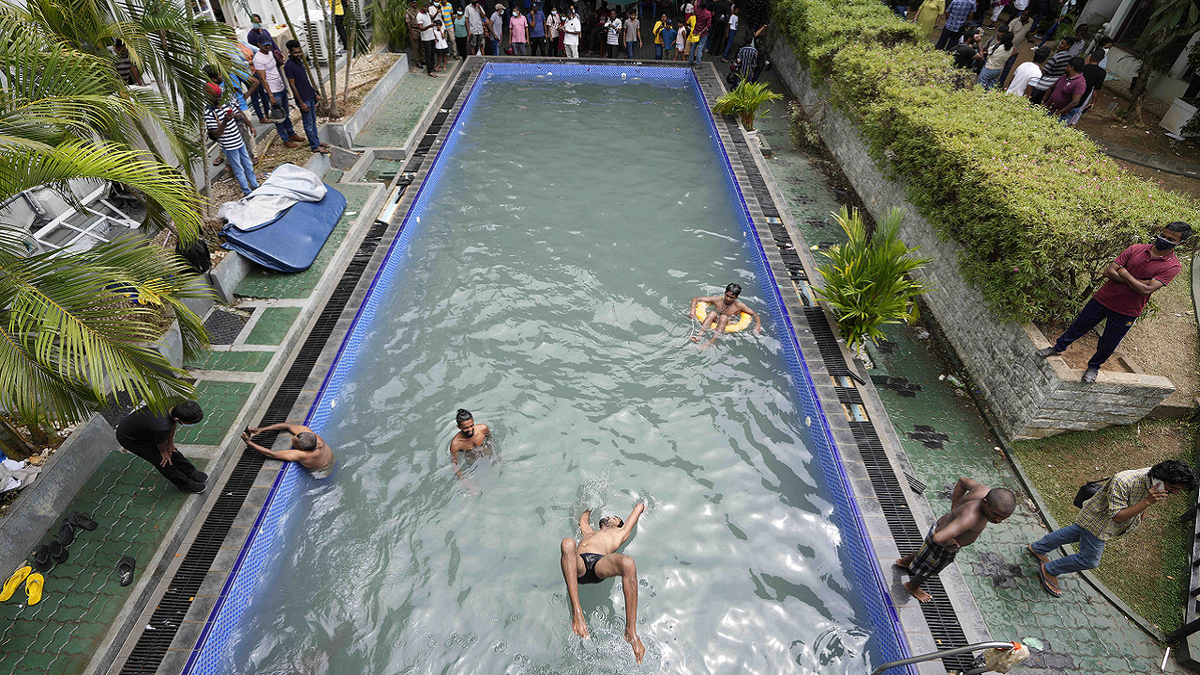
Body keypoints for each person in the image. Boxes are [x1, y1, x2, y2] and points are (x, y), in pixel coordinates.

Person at [1037, 222, 1190, 382]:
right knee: (1078, 326)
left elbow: (1146, 290)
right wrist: (1139, 282)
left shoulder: (1173, 266)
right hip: (1103, 299)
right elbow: (1109, 271)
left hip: (1128, 311)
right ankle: (1057, 348)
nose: (1163, 239)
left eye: (1170, 239)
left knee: (1109, 342)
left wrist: (1124, 272)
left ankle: (1094, 367)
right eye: (1163, 235)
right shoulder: (1136, 249)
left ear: (1181, 243)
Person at [1029, 460, 1197, 598]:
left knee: (1074, 532)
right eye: (1173, 489)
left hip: (1095, 519)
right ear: (1163, 477)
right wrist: (1146, 502)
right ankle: (1049, 570)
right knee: (1090, 560)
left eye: (1177, 491)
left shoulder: (1156, 479)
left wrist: (1142, 510)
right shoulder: (1124, 482)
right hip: (1099, 523)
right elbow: (1117, 516)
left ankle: (1038, 548)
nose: (1174, 493)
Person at [895, 478, 1015, 602]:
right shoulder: (970, 518)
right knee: (929, 569)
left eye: (1004, 518)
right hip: (942, 547)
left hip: (939, 527)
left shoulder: (982, 490)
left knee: (926, 553)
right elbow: (938, 538)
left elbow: (962, 481)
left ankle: (904, 562)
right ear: (985, 502)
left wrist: (955, 504)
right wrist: (950, 543)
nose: (999, 520)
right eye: (996, 515)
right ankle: (912, 586)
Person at [559, 503, 647, 663]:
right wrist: (589, 506)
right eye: (608, 516)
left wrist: (641, 504)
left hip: (600, 563)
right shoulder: (589, 532)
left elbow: (638, 509)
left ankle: (631, 631)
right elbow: (583, 520)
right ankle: (576, 611)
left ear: (619, 524)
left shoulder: (620, 533)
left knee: (628, 563)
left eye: (613, 517)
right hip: (577, 566)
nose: (608, 517)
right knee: (567, 543)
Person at [116, 401, 208, 493]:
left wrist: (170, 444)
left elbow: (172, 424)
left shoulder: (174, 405)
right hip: (130, 438)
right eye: (190, 422)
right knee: (163, 461)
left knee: (173, 452)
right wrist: (164, 453)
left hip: (148, 428)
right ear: (177, 418)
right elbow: (161, 442)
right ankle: (185, 485)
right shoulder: (162, 426)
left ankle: (191, 472)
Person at [204, 83, 259, 195]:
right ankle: (246, 191)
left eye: (220, 96)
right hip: (228, 146)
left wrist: (248, 125)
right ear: (209, 98)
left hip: (239, 140)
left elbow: (240, 114)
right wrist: (225, 121)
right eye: (216, 97)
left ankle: (255, 185)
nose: (219, 99)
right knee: (238, 168)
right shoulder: (209, 113)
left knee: (248, 163)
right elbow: (216, 133)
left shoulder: (226, 104)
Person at [284, 40, 330, 154]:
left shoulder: (300, 62)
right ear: (290, 52)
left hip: (310, 95)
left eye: (300, 52)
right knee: (308, 124)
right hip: (303, 99)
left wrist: (315, 93)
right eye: (295, 53)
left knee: (313, 120)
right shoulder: (289, 66)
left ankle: (316, 141)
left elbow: (305, 81)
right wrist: (301, 102)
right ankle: (314, 146)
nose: (299, 54)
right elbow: (293, 86)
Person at [252, 40, 300, 148]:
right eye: (265, 45)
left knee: (286, 113)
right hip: (273, 91)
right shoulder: (258, 59)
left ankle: (291, 134)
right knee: (278, 116)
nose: (268, 46)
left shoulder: (269, 53)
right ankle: (285, 139)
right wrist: (270, 95)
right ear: (259, 45)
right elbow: (263, 79)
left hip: (280, 87)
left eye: (269, 44)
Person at [242, 424, 337, 479]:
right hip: (333, 461)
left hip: (322, 473)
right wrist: (262, 429)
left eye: (294, 442)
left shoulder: (303, 455)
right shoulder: (314, 438)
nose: (292, 439)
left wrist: (248, 442)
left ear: (302, 449)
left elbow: (271, 454)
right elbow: (288, 426)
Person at [690, 282, 763, 347]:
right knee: (712, 313)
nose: (728, 299)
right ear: (725, 293)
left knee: (723, 317)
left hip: (728, 323)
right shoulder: (717, 300)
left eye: (731, 297)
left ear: (736, 297)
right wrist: (693, 310)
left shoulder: (739, 306)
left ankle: (712, 341)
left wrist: (758, 325)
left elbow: (755, 315)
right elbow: (696, 299)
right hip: (716, 319)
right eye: (727, 295)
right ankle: (699, 335)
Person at [447, 408, 492, 482]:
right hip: (474, 465)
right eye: (466, 428)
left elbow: (490, 440)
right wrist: (465, 482)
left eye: (471, 425)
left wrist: (495, 456)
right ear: (459, 427)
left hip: (488, 457)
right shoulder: (456, 444)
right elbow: (454, 465)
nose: (470, 429)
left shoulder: (483, 429)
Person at [1028, 36, 1074, 105]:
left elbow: (1043, 72)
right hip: (1051, 87)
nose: (1060, 44)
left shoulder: (1055, 58)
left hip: (1041, 86)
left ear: (1068, 46)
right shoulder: (1070, 57)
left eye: (1062, 43)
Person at [1065, 48, 1105, 125]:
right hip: (1082, 97)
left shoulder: (1082, 68)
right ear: (1102, 59)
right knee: (1069, 117)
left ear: (1090, 56)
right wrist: (1093, 102)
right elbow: (1096, 90)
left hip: (1070, 92)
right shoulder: (1101, 73)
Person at [997, 8, 1033, 86]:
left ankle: (1000, 84)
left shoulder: (1031, 22)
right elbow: (1006, 35)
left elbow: (1027, 31)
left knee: (1007, 67)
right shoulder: (1014, 22)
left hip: (1017, 49)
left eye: (1026, 15)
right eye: (1023, 14)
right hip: (1007, 47)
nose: (1023, 16)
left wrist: (1029, 38)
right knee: (998, 64)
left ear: (1029, 16)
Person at [1044, 56, 1085, 120]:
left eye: (1067, 66)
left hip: (1058, 116)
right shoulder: (1065, 76)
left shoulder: (1080, 83)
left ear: (1071, 68)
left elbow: (1075, 102)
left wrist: (1058, 113)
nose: (1065, 67)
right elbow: (1051, 88)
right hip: (1047, 109)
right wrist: (1043, 102)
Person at [417, 4, 438, 77]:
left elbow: (431, 19)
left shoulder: (427, 13)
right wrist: (429, 26)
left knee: (432, 53)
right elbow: (421, 28)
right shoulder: (419, 16)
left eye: (427, 7)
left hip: (431, 36)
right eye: (425, 7)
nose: (426, 8)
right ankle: (429, 71)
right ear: (421, 7)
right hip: (426, 38)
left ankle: (433, 67)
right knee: (428, 54)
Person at [690, 0, 711, 65]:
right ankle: (697, 63)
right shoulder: (708, 13)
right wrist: (701, 32)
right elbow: (708, 25)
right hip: (703, 33)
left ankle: (690, 61)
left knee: (693, 47)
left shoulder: (697, 11)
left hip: (696, 31)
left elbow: (695, 6)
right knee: (699, 49)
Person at [407, 0, 425, 69]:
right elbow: (408, 24)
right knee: (416, 47)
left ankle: (423, 59)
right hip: (413, 30)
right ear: (410, 3)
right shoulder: (408, 12)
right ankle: (418, 62)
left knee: (422, 46)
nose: (415, 4)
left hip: (420, 29)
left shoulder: (419, 10)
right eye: (413, 2)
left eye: (415, 2)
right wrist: (412, 34)